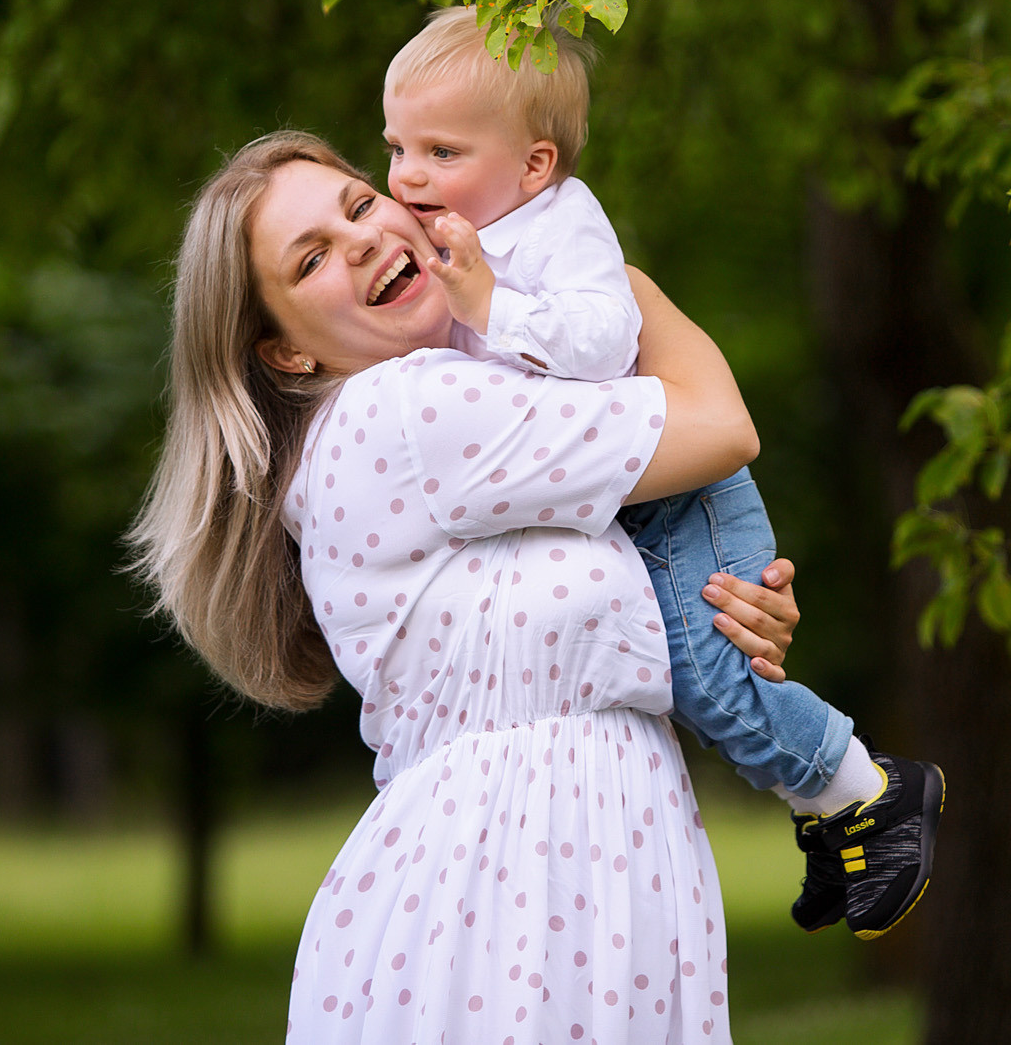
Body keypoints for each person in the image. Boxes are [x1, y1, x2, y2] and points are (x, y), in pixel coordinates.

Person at [129, 131, 810, 1042]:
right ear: (286, 353)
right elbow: (719, 423)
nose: (363, 238)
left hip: (573, 862)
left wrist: (728, 604)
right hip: (514, 887)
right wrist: (607, 279)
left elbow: (589, 614)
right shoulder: (404, 409)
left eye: (360, 204)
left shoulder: (472, 401)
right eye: (314, 258)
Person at [381, 7, 943, 936]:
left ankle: (873, 794)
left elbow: (605, 347)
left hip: (681, 493)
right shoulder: (451, 231)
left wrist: (488, 301)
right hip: (625, 494)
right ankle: (826, 813)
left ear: (533, 166)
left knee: (711, 675)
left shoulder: (562, 231)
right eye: (398, 144)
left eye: (442, 151)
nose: (407, 174)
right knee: (695, 668)